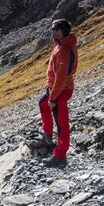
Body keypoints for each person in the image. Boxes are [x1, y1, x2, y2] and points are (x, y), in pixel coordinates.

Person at [38, 18, 78, 167]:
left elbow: (61, 78)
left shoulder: (64, 50)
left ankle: (60, 155)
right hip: (55, 87)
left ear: (64, 32)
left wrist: (53, 98)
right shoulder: (61, 45)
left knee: (61, 124)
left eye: (56, 29)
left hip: (61, 90)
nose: (53, 32)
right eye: (52, 29)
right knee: (42, 104)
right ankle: (48, 134)